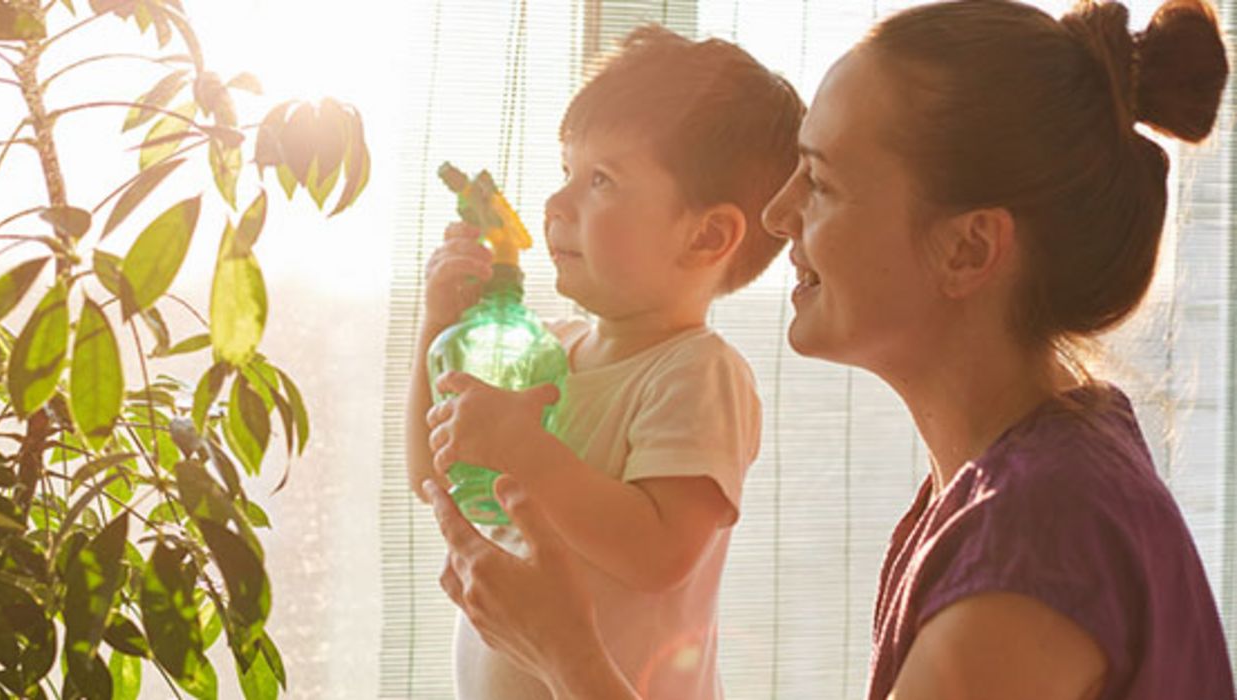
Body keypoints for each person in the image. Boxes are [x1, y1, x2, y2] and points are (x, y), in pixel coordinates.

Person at [427, 1, 1235, 698]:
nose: (777, 217)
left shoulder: (1042, 544)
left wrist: (565, 660)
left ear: (965, 251)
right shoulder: (1005, 488)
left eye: (819, 180)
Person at [408, 25, 804, 700]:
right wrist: (437, 329)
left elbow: (658, 553)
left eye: (601, 180)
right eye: (566, 172)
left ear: (706, 234)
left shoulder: (697, 373)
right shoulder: (548, 349)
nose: (556, 204)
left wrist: (525, 451)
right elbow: (432, 477)